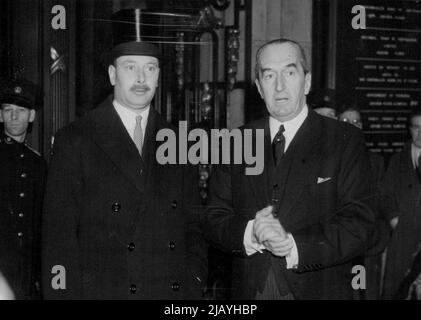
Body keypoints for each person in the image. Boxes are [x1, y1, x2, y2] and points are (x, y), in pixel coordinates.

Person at [42, 8, 207, 299]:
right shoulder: (76, 139)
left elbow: (194, 230)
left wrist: (191, 291)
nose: (141, 78)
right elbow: (59, 240)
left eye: (151, 68)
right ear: (112, 74)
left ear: (158, 77)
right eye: (130, 66)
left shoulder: (181, 143)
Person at [203, 38, 379, 299]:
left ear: (306, 82)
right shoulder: (235, 142)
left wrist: (295, 245)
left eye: (289, 72)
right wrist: (251, 232)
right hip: (250, 291)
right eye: (269, 75)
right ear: (259, 88)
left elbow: (360, 223)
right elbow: (213, 216)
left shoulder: (345, 140)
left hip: (318, 288)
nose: (280, 86)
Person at [0, 78, 46, 299]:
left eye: (21, 110)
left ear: (32, 116)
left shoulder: (38, 163)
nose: (14, 116)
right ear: (0, 116)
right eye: (8, 110)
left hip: (27, 269)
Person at [338, 106, 388, 300]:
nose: (352, 126)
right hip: (335, 248)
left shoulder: (375, 162)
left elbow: (381, 204)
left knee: (364, 294)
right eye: (345, 121)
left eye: (356, 122)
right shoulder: (324, 160)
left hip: (366, 248)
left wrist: (375, 239)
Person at [381, 107, 421, 299]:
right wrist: (394, 220)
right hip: (403, 238)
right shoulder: (397, 161)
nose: (420, 133)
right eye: (416, 127)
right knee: (398, 290)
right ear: (409, 129)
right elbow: (386, 196)